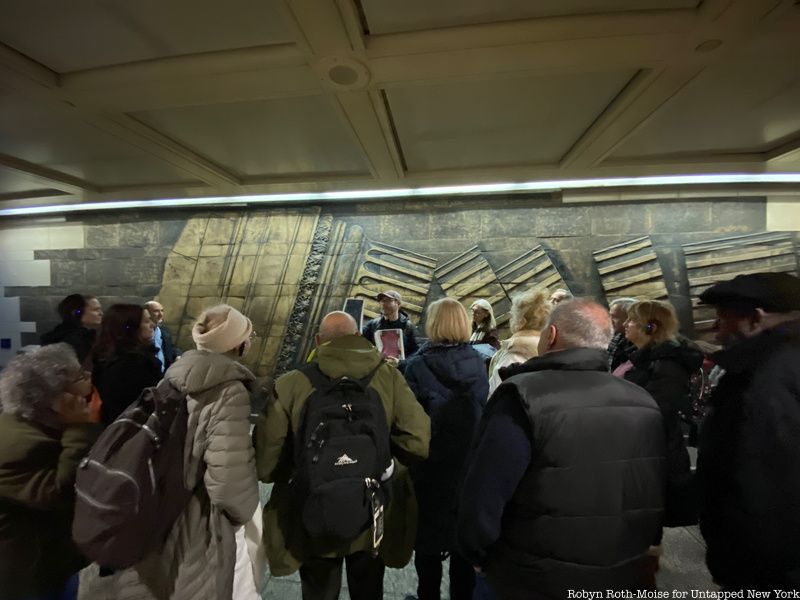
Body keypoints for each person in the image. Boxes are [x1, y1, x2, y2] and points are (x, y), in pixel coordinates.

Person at [457, 299, 665, 600]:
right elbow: (651, 492)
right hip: (617, 573)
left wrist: (477, 555)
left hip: (527, 579)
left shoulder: (521, 396)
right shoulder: (643, 401)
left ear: (550, 335)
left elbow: (484, 494)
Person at [254, 311, 430, 600]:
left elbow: (265, 464)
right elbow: (418, 442)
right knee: (368, 587)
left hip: (313, 510)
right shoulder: (389, 377)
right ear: (358, 337)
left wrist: (304, 472)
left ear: (318, 341)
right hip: (371, 509)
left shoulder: (291, 383)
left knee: (319, 589)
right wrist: (382, 463)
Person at [136, 304, 261, 599]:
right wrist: (243, 514)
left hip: (164, 502)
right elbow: (228, 479)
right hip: (200, 515)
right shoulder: (229, 390)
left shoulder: (173, 375)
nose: (251, 340)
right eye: (248, 335)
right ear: (236, 343)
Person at [695, 272, 800, 590]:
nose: (716, 328)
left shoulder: (762, 378)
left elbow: (761, 480)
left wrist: (742, 568)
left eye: (722, 317)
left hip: (769, 567)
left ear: (756, 318)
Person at [403, 298, 489, 600]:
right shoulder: (478, 362)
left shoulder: (415, 365)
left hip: (429, 466)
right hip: (467, 466)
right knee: (460, 547)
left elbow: (409, 422)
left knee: (427, 547)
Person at [0, 344, 100, 600]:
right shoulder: (23, 444)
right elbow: (61, 494)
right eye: (80, 376)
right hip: (27, 570)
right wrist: (80, 429)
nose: (88, 376)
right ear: (56, 397)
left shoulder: (34, 421)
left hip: (47, 555)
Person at [618, 300, 703, 582]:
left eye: (632, 320)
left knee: (643, 529)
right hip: (635, 452)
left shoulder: (668, 364)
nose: (625, 324)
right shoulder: (642, 355)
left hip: (651, 455)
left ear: (650, 326)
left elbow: (657, 408)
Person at [92, 304, 161, 426]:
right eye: (146, 321)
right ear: (130, 328)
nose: (152, 325)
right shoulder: (135, 365)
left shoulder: (105, 358)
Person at [487, 288, 550, 395]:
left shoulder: (512, 355)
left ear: (522, 322)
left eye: (512, 316)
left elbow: (496, 395)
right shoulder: (551, 350)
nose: (510, 320)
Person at [40, 293, 103, 364]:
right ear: (77, 313)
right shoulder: (75, 340)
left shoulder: (60, 334)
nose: (101, 313)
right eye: (96, 310)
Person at [361, 290, 420, 359]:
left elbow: (417, 351)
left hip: (398, 368)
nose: (383, 304)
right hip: (379, 367)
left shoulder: (408, 326)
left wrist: (402, 363)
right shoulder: (373, 324)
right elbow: (360, 340)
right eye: (382, 301)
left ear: (398, 303)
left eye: (388, 300)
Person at [145, 300, 182, 372]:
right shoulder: (140, 334)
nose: (160, 314)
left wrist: (178, 355)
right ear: (146, 313)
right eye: (156, 311)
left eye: (162, 311)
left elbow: (171, 347)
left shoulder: (164, 331)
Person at [607, 297, 638, 371]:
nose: (609, 320)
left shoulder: (638, 343)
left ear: (629, 318)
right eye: (609, 316)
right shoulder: (616, 336)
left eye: (615, 317)